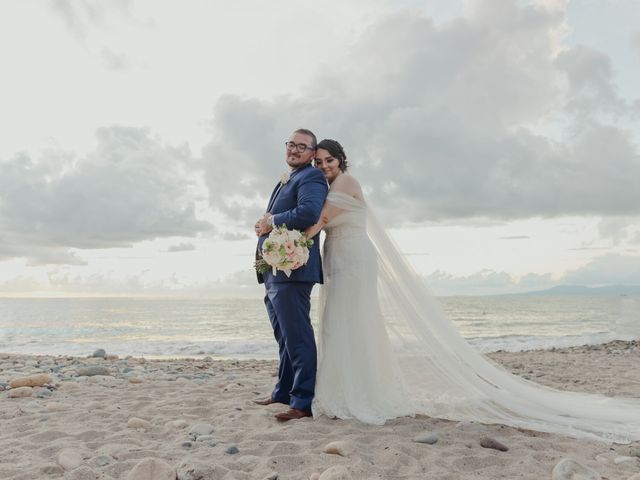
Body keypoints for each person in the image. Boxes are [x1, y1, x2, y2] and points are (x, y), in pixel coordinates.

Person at [305, 138, 640, 443]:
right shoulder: (326, 183)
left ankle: (358, 395)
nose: (323, 166)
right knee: (338, 321)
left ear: (341, 161)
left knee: (352, 320)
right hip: (336, 256)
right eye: (318, 162)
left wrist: (287, 233)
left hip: (354, 259)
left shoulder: (345, 182)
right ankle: (344, 391)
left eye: (328, 160)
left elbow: (322, 218)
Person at [253, 128, 328, 422]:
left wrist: (272, 221)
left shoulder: (311, 177)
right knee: (283, 335)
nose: (294, 150)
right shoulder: (289, 178)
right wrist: (263, 225)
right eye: (291, 144)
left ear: (312, 153)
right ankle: (283, 391)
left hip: (293, 270)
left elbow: (309, 212)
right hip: (274, 269)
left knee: (297, 336)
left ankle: (302, 401)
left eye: (302, 146)